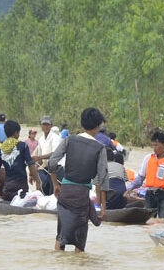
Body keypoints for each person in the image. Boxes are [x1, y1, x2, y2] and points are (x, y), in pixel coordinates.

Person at [48, 108, 109, 252]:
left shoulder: (69, 139)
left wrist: (56, 184)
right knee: (79, 241)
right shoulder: (100, 148)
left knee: (61, 236)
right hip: (81, 196)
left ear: (82, 124)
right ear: (98, 125)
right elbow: (103, 179)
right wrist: (103, 207)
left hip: (65, 194)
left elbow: (52, 162)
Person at [126, 130, 164, 218]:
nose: (154, 148)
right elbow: (140, 178)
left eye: (156, 145)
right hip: (150, 194)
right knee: (148, 220)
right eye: (153, 145)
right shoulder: (148, 158)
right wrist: (130, 188)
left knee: (163, 219)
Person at [0, 120, 41, 201]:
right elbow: (30, 165)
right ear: (15, 133)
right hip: (22, 188)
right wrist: (38, 181)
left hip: (7, 189)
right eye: (18, 133)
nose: (18, 135)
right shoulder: (23, 146)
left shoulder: (0, 150)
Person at [32, 115, 64, 196]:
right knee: (43, 190)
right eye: (44, 124)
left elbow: (55, 154)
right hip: (46, 169)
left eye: (47, 124)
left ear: (51, 125)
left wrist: (39, 157)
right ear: (41, 126)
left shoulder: (55, 138)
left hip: (56, 169)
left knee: (53, 192)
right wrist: (34, 169)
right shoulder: (41, 139)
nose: (45, 127)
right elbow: (40, 159)